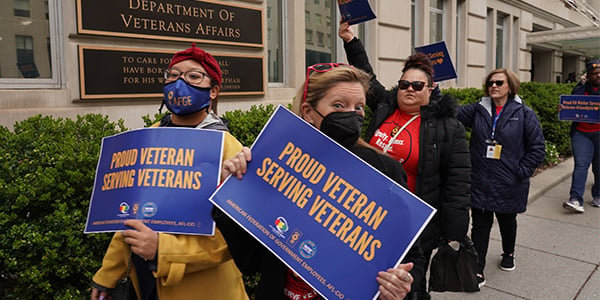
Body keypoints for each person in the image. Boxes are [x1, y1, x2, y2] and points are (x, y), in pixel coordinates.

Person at [213, 63, 425, 300]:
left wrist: (401, 283)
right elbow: (250, 261)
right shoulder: (277, 166)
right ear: (308, 111)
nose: (352, 114)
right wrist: (232, 188)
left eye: (359, 107)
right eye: (338, 105)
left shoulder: (384, 171)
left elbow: (411, 259)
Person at [91, 44, 248, 300]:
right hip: (145, 283)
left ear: (213, 91)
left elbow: (233, 240)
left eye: (193, 76)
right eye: (173, 75)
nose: (179, 83)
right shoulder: (146, 138)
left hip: (205, 290)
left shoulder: (230, 151)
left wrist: (163, 249)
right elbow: (128, 216)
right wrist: (109, 273)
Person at [338, 23, 471, 300]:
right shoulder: (385, 106)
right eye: (404, 84)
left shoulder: (447, 127)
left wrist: (454, 233)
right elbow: (367, 75)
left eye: (417, 85)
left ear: (431, 89)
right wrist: (351, 40)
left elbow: (458, 183)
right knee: (373, 279)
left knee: (409, 286)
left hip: (413, 224)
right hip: (368, 214)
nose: (409, 89)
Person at [456, 68, 545, 286]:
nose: (493, 86)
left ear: (510, 87)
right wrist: (435, 92)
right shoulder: (478, 109)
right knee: (480, 224)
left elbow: (537, 148)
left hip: (508, 182)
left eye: (499, 82)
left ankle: (509, 253)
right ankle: (477, 269)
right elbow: (453, 113)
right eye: (490, 83)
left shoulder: (524, 113)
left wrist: (520, 171)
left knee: (507, 220)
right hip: (480, 179)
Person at [562, 60, 600, 213]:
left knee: (599, 167)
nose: (598, 75)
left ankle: (598, 194)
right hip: (581, 134)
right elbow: (571, 107)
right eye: (595, 73)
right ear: (588, 75)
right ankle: (576, 199)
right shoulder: (579, 91)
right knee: (580, 165)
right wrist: (564, 109)